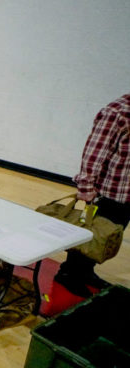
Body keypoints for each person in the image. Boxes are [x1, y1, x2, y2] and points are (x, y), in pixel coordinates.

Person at [55, 93, 130, 297]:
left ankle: (85, 272)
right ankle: (68, 274)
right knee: (90, 237)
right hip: (108, 194)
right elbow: (94, 153)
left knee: (103, 241)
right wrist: (86, 188)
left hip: (126, 193)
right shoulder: (118, 113)